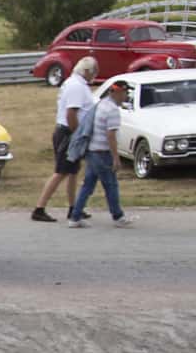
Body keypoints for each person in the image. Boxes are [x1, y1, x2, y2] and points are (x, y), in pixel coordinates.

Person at [32, 56, 96, 223]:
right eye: (94, 72)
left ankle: (74, 207)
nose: (94, 76)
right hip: (68, 133)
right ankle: (39, 208)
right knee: (61, 172)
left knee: (73, 172)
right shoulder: (76, 86)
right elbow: (71, 114)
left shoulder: (75, 83)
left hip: (68, 132)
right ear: (87, 71)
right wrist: (77, 135)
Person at [70, 77, 132, 228]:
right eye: (125, 93)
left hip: (92, 151)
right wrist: (116, 158)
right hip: (103, 153)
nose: (126, 96)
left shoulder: (102, 104)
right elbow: (110, 135)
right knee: (111, 185)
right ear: (117, 93)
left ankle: (75, 217)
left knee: (88, 185)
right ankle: (118, 216)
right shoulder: (112, 110)